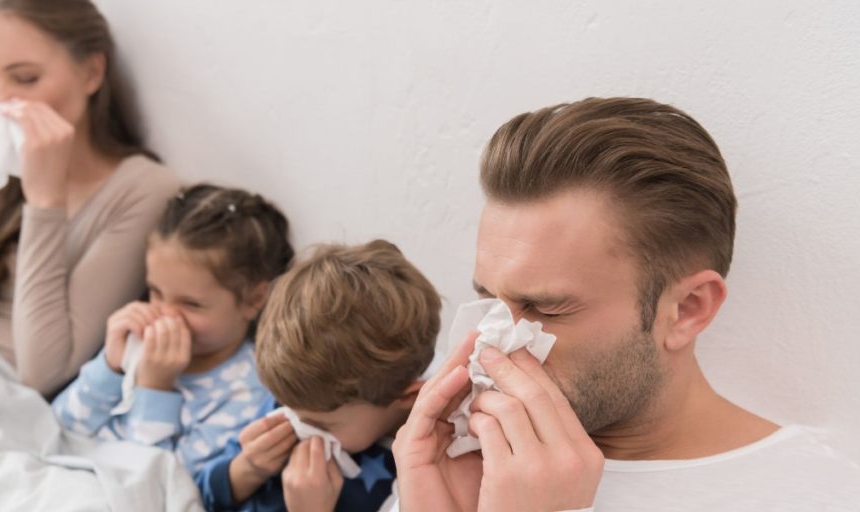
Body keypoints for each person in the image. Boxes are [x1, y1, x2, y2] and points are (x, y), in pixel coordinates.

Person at [393, 97, 860, 511]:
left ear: (688, 309)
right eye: (487, 300)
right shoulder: (447, 469)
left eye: (546, 308)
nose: (490, 345)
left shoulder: (822, 493)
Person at [0, 0, 179, 395]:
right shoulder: (5, 172)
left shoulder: (143, 189)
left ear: (92, 72)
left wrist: (44, 201)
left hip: (3, 401)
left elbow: (43, 373)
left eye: (25, 78)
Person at [52, 184, 294, 475]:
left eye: (191, 304)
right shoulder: (137, 346)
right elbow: (60, 424)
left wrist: (154, 390)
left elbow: (157, 487)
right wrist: (109, 367)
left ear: (254, 299)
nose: (164, 316)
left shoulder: (245, 391)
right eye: (154, 292)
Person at [196, 240, 442, 511]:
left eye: (323, 426)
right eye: (287, 408)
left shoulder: (418, 473)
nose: (299, 426)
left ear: (407, 397)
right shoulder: (298, 395)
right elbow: (201, 496)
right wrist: (245, 471)